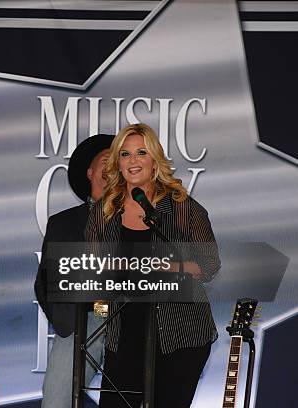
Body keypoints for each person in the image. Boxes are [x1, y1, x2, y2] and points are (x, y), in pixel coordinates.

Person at [87, 123, 220, 408]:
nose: (133, 161)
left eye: (141, 152)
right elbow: (90, 268)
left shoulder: (181, 206)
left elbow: (209, 264)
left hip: (181, 331)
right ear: (118, 163)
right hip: (125, 329)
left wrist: (170, 267)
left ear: (154, 160)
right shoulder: (104, 211)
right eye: (125, 154)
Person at [34, 134, 114, 408]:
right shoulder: (63, 223)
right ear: (90, 171)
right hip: (82, 320)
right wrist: (63, 321)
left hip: (127, 322)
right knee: (56, 399)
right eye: (106, 161)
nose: (112, 166)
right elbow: (44, 282)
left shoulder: (139, 221)